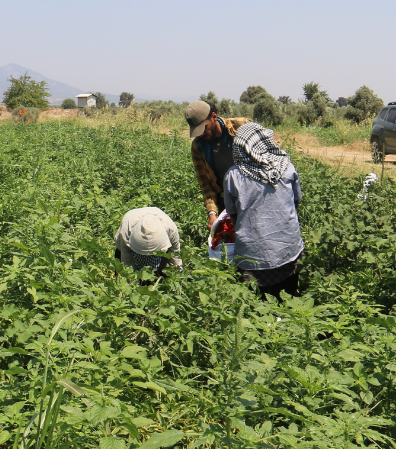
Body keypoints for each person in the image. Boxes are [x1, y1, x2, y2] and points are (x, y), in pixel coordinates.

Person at [222, 123, 304, 300]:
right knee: (289, 301)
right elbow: (295, 203)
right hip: (288, 250)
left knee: (256, 306)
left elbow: (234, 215)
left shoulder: (234, 176)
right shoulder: (287, 168)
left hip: (253, 256)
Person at [185, 100, 252, 231]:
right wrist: (212, 213)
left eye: (204, 127)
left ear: (214, 117)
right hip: (226, 203)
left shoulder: (241, 127)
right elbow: (206, 185)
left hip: (253, 195)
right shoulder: (199, 147)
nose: (201, 134)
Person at [114, 207, 182, 282]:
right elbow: (127, 262)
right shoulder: (126, 230)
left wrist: (177, 280)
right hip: (132, 251)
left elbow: (175, 257)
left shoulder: (171, 229)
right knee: (124, 275)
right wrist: (131, 286)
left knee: (162, 275)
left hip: (159, 253)